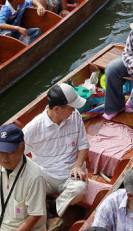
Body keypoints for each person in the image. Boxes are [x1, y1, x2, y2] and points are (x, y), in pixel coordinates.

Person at [22, 83, 89, 221]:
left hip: (70, 174)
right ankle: (47, 208)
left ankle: (51, 206)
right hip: (45, 176)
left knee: (79, 190)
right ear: (57, 109)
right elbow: (17, 154)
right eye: (71, 108)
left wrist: (77, 165)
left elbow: (83, 145)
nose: (74, 110)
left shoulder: (75, 116)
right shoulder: (33, 127)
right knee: (22, 188)